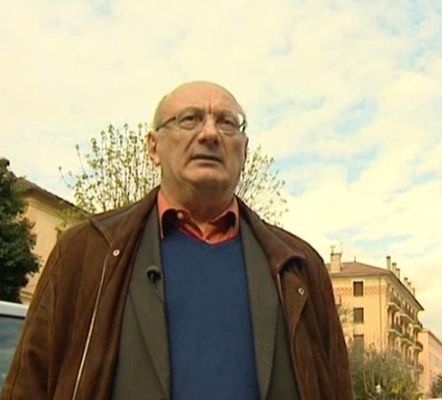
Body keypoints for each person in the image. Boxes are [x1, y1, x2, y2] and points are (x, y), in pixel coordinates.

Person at [1, 81, 352, 400]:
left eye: (227, 123)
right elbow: (29, 384)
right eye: (189, 119)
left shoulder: (298, 266)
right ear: (154, 148)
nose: (210, 134)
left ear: (243, 151)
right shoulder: (87, 251)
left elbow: (334, 384)